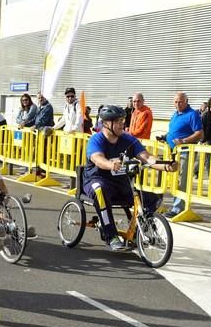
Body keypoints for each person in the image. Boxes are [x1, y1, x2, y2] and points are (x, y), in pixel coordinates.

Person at [83, 105, 177, 251]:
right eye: (118, 121)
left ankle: (139, 233)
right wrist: (110, 164)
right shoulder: (96, 139)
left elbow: (146, 157)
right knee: (100, 190)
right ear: (107, 124)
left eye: (123, 120)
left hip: (121, 185)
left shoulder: (128, 140)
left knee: (154, 198)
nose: (123, 124)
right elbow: (97, 158)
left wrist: (166, 166)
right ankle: (111, 236)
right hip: (96, 180)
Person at [162, 92, 203, 217]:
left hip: (185, 151)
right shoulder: (176, 114)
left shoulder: (192, 114)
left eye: (180, 102)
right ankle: (174, 205)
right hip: (173, 151)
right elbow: (175, 131)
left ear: (186, 101)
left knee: (182, 179)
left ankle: (178, 208)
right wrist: (165, 137)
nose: (177, 104)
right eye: (175, 102)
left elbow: (199, 133)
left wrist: (183, 141)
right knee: (174, 179)